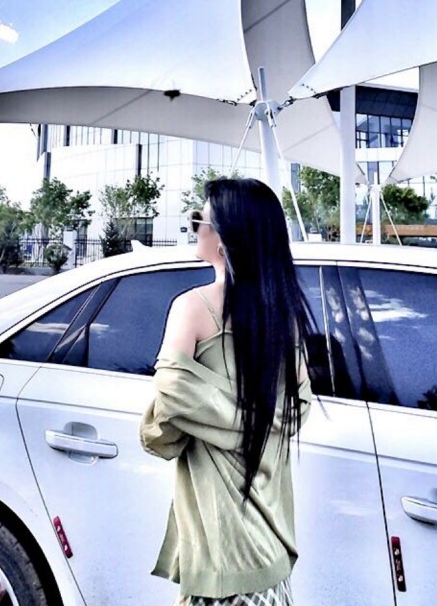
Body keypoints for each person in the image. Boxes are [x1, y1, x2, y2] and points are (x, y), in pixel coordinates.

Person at [140, 178, 313, 606]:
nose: (194, 226)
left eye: (200, 218)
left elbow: (168, 406)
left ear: (225, 237)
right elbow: (297, 406)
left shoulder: (193, 307)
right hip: (270, 548)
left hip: (222, 552)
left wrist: (189, 421)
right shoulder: (285, 314)